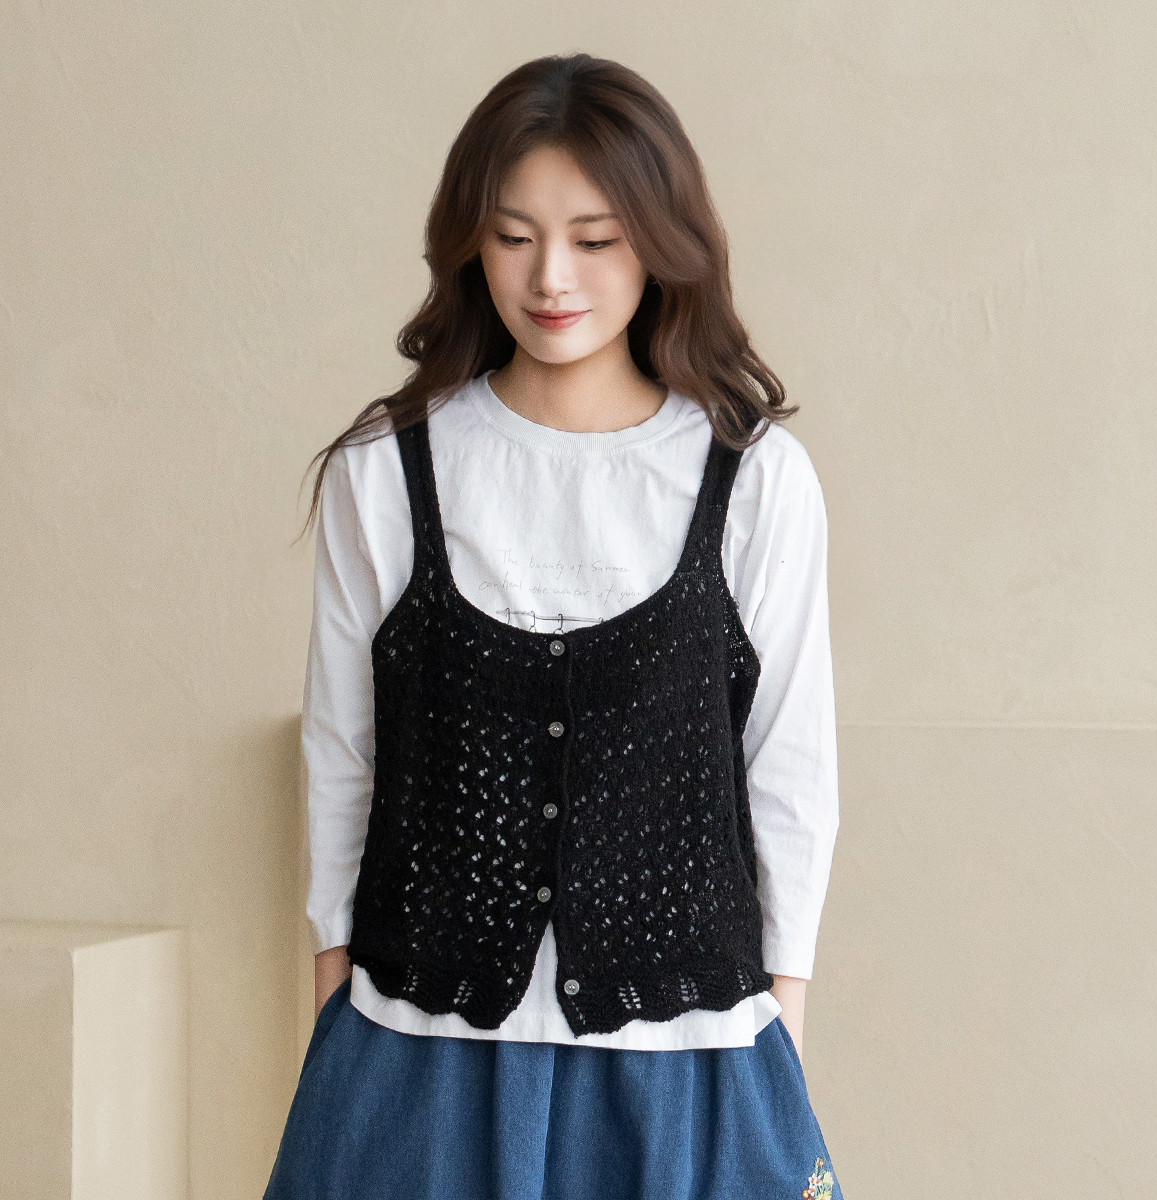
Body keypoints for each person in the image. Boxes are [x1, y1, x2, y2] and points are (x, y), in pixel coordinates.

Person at [264, 52, 843, 1200]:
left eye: (596, 237)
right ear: (468, 244)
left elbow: (790, 766)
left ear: (662, 243)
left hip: (689, 1057)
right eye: (514, 235)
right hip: (415, 1048)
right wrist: (335, 999)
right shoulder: (386, 469)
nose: (551, 277)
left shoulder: (755, 477)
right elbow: (342, 754)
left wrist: (780, 1026)